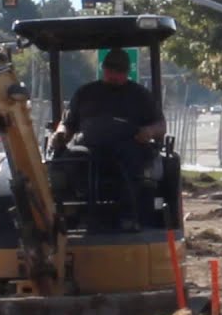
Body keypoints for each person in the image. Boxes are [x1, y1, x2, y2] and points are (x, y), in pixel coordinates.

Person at [51, 48, 166, 229]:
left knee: (131, 159)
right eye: (110, 70)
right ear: (103, 69)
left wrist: (149, 131)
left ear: (127, 72)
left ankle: (129, 216)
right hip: (89, 146)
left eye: (119, 72)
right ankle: (76, 214)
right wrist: (60, 134)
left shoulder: (139, 96)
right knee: (70, 159)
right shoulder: (85, 93)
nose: (114, 75)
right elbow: (67, 123)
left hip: (128, 145)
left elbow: (160, 126)